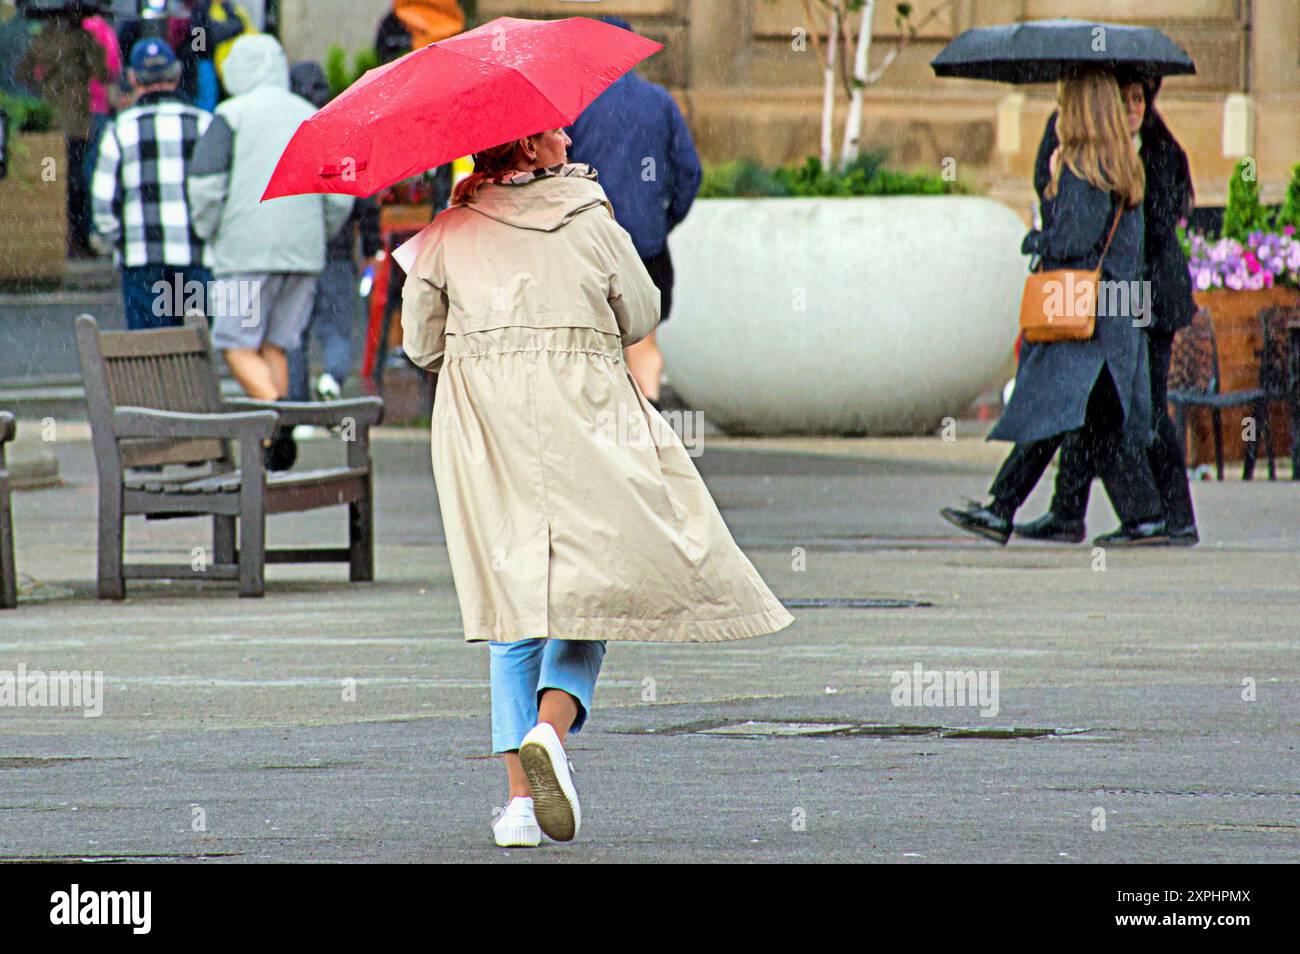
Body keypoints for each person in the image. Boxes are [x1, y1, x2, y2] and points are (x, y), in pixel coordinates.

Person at [400, 132, 794, 847]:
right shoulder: (588, 218)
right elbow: (640, 316)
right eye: (554, 128)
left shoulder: (450, 230)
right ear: (529, 148)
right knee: (600, 583)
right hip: (587, 418)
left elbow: (421, 345)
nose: (570, 134)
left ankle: (519, 805)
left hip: (489, 434)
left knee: (511, 602)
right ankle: (551, 728)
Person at [941, 69, 1167, 547]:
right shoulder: (1120, 163)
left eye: (1065, 101)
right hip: (1115, 311)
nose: (1059, 110)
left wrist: (1038, 228)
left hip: (1084, 314)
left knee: (1053, 411)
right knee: (1092, 423)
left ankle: (1003, 508)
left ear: (1078, 109)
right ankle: (1128, 516)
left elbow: (1073, 240)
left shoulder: (1082, 168)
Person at [1015, 70, 1199, 546]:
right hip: (1106, 295)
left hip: (1149, 296)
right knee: (1095, 401)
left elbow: (1157, 227)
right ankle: (1067, 510)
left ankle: (1175, 519)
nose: (1134, 108)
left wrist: (1121, 179)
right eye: (1125, 99)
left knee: (1145, 407)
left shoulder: (1157, 150)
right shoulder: (1074, 146)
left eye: (1140, 99)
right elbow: (1051, 195)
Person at [188, 34, 353, 470]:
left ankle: (276, 416)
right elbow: (340, 193)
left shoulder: (231, 115)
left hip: (244, 253)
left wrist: (210, 231)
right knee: (277, 343)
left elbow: (205, 186)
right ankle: (272, 449)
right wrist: (318, 231)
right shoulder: (311, 117)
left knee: (234, 342)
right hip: (304, 255)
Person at [566, 15, 701, 409]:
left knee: (592, 343)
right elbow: (689, 172)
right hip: (646, 245)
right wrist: (663, 219)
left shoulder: (576, 106)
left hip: (588, 245)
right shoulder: (659, 101)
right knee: (644, 340)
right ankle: (649, 420)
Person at [91, 38, 211, 331]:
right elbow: (220, 190)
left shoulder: (120, 128)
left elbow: (103, 203)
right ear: (177, 74)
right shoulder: (205, 124)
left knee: (149, 351)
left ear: (132, 78)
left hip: (142, 259)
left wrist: (118, 240)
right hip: (195, 255)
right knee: (194, 351)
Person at [286, 61, 382, 407]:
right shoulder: (342, 137)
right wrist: (372, 247)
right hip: (338, 254)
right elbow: (364, 199)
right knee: (338, 327)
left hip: (295, 253)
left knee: (293, 332)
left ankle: (295, 406)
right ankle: (331, 377)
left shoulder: (285, 137)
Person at [16, 7, 109, 257]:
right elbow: (103, 73)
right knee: (78, 181)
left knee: (54, 179)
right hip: (77, 122)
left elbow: (22, 73)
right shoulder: (82, 39)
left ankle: (58, 236)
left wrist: (44, 89)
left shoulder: (41, 40)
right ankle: (78, 238)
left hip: (53, 121)